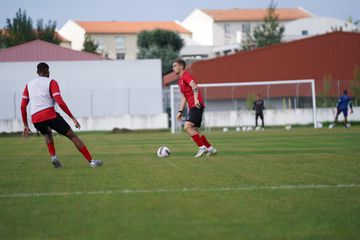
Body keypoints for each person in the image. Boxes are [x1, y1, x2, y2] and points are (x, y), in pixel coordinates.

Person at [21, 62, 103, 168]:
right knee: (73, 136)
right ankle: (91, 162)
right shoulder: (51, 82)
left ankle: (53, 157)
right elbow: (60, 102)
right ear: (48, 71)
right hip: (49, 115)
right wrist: (72, 118)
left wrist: (25, 125)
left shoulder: (29, 84)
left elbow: (23, 106)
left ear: (37, 72)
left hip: (36, 119)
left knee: (47, 133)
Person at [172, 59, 217, 157]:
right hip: (193, 106)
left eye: (175, 66)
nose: (173, 68)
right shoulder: (180, 81)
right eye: (173, 66)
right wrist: (180, 111)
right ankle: (210, 148)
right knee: (195, 130)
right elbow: (184, 97)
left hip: (196, 105)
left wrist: (196, 100)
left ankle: (202, 147)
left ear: (181, 66)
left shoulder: (186, 75)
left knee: (187, 127)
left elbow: (194, 86)